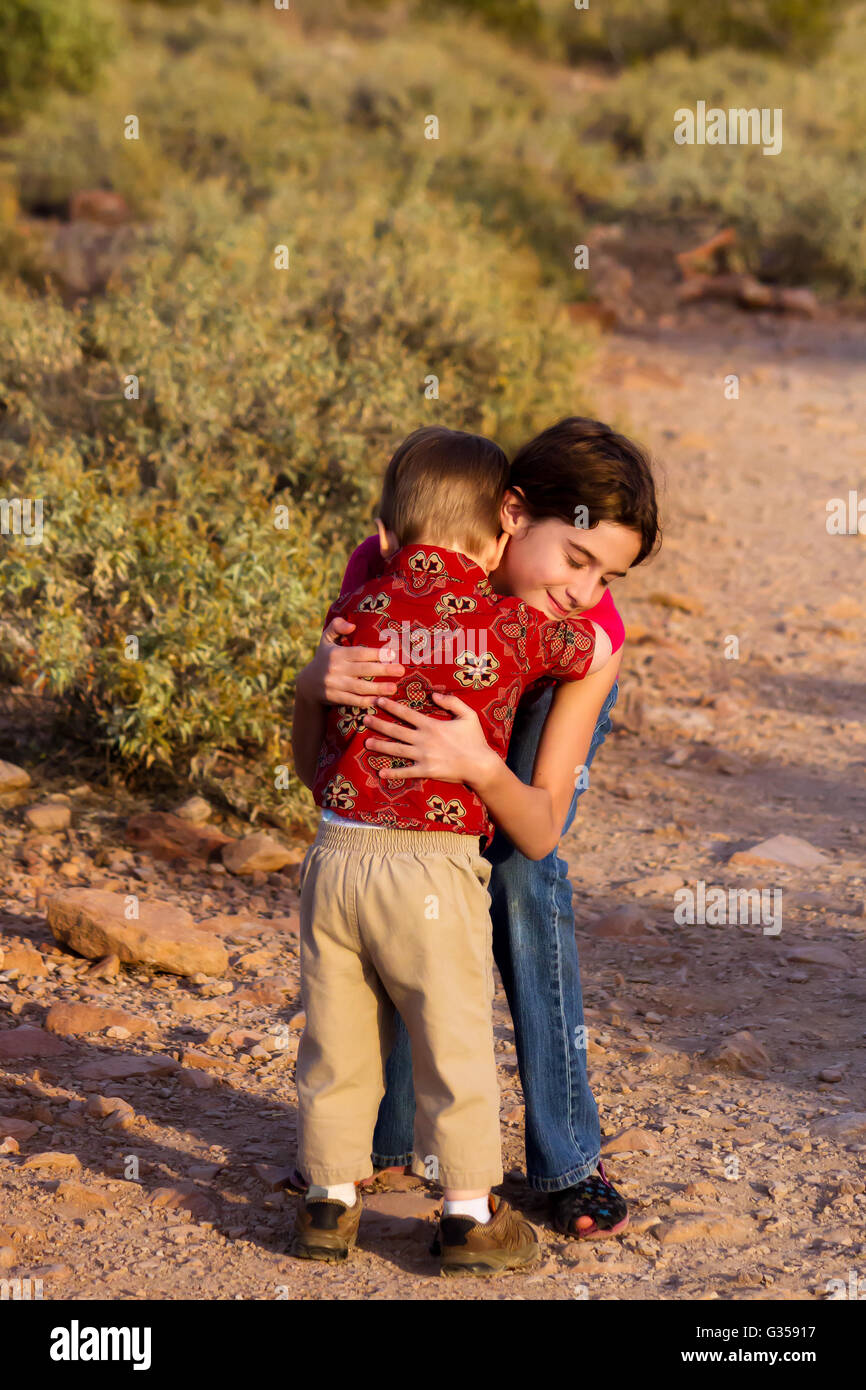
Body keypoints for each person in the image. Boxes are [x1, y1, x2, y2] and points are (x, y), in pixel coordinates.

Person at [292, 417, 661, 1240]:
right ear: (511, 515)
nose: (587, 592)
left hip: (523, 732)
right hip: (412, 794)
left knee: (522, 878)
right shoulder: (388, 562)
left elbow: (539, 827)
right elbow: (339, 761)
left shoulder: (588, 638)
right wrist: (314, 681)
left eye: (611, 575)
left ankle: (567, 1160)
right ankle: (378, 1143)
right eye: (576, 558)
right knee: (404, 865)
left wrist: (481, 766)